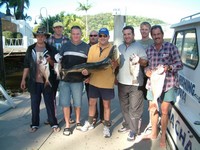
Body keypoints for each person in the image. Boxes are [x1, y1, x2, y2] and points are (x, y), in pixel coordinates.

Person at [143, 25, 183, 148]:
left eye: (158, 34)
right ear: (151, 36)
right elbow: (145, 66)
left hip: (168, 83)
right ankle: (154, 133)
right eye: (154, 34)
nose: (156, 36)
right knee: (153, 109)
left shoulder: (171, 47)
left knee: (164, 111)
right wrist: (146, 71)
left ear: (162, 34)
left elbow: (180, 64)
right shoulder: (149, 49)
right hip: (153, 84)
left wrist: (169, 67)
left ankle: (163, 136)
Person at [20, 27, 60, 133]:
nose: (40, 37)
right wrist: (23, 79)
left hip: (47, 80)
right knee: (34, 104)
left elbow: (57, 64)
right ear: (36, 37)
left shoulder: (51, 49)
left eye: (43, 36)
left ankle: (54, 123)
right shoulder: (30, 49)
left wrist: (50, 60)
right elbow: (26, 65)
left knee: (50, 104)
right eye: (38, 35)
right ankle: (34, 124)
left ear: (45, 37)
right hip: (34, 81)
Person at [54, 25, 90, 136]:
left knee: (77, 103)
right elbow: (58, 59)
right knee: (65, 103)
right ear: (71, 34)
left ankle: (78, 122)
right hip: (64, 80)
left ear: (81, 34)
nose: (75, 36)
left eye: (77, 33)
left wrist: (87, 74)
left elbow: (89, 64)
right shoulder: (65, 46)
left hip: (78, 80)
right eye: (73, 34)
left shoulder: (86, 47)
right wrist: (57, 62)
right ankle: (68, 126)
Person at [81, 28, 116, 138]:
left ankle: (106, 126)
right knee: (91, 103)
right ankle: (90, 122)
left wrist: (114, 64)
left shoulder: (113, 49)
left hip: (107, 82)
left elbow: (117, 65)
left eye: (104, 36)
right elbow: (90, 65)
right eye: (100, 36)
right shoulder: (92, 48)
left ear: (108, 37)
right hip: (94, 81)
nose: (102, 38)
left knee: (106, 106)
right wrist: (87, 74)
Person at [117, 26, 148, 141]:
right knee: (124, 107)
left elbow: (145, 62)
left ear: (133, 35)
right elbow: (117, 64)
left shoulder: (139, 47)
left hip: (135, 83)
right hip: (121, 82)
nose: (127, 36)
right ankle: (127, 125)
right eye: (125, 34)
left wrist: (138, 60)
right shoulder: (119, 47)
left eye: (129, 34)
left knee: (135, 108)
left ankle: (133, 130)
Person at [47, 21, 75, 125]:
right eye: (56, 27)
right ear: (53, 29)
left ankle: (68, 116)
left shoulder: (67, 40)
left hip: (64, 70)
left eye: (60, 27)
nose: (58, 29)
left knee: (66, 94)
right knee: (51, 95)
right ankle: (52, 117)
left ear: (62, 29)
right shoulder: (48, 40)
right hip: (51, 70)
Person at [138, 22, 154, 134]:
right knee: (138, 101)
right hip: (138, 76)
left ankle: (151, 123)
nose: (144, 31)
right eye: (142, 29)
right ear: (140, 30)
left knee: (151, 101)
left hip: (150, 77)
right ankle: (136, 123)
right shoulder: (136, 43)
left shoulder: (153, 43)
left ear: (149, 30)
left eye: (146, 29)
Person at [85, 30, 104, 125]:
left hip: (102, 78)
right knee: (91, 100)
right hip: (89, 78)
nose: (93, 37)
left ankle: (103, 118)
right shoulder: (85, 47)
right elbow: (85, 63)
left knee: (103, 99)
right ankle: (94, 117)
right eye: (91, 35)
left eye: (95, 35)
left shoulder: (103, 47)